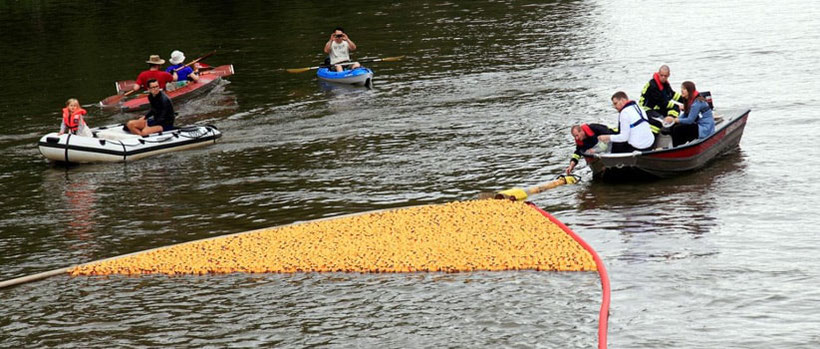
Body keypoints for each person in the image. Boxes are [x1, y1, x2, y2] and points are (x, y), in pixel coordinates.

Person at [664, 81, 715, 146]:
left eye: (684, 89)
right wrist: (673, 120)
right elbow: (686, 114)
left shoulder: (697, 103)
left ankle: (678, 149)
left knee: (678, 129)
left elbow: (690, 120)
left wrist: (675, 120)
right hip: (698, 124)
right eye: (682, 88)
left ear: (690, 91)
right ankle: (678, 146)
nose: (682, 91)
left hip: (705, 128)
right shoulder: (690, 101)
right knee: (674, 126)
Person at [638, 65, 686, 134]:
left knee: (675, 110)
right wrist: (679, 106)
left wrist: (686, 100)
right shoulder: (653, 85)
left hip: (656, 107)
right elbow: (662, 103)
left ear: (668, 75)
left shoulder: (665, 84)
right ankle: (653, 138)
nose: (663, 78)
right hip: (646, 108)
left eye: (665, 76)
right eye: (661, 75)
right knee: (659, 121)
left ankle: (669, 124)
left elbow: (672, 94)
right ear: (658, 74)